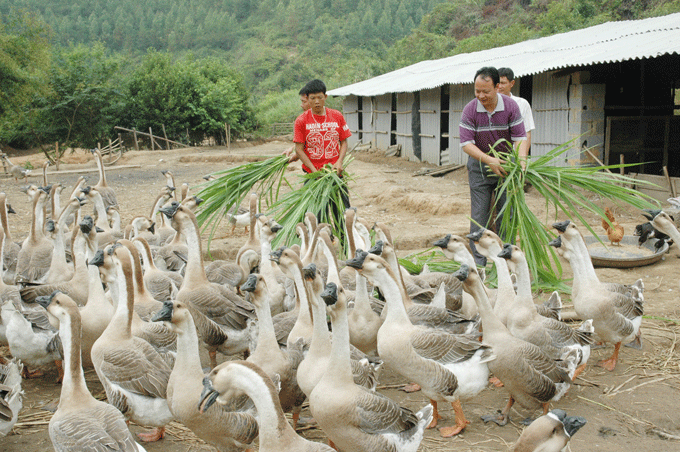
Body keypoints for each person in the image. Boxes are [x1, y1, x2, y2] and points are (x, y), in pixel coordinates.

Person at [460, 66, 528, 266]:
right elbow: (466, 144)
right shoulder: (470, 109)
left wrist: (521, 165)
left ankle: (505, 262)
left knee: (506, 216)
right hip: (480, 167)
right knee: (479, 216)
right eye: (477, 91)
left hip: (506, 168)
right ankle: (478, 264)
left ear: (498, 87)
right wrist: (489, 160)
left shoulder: (511, 107)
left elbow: (520, 138)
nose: (480, 95)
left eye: (485, 91)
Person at [292, 79, 352, 231]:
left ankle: (346, 247)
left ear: (325, 97)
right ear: (308, 99)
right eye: (312, 98)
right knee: (317, 216)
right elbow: (299, 149)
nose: (317, 102)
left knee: (343, 214)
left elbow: (344, 142)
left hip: (335, 175)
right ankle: (320, 247)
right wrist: (313, 170)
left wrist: (339, 162)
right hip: (313, 177)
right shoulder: (301, 121)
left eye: (320, 97)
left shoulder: (336, 116)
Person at [497, 67, 535, 152]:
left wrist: (522, 160)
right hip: (492, 156)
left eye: (503, 83)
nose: (499, 87)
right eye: (497, 83)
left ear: (512, 83)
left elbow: (527, 133)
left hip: (514, 155)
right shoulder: (488, 104)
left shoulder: (522, 104)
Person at [283, 89, 311, 161]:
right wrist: (293, 149)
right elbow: (307, 141)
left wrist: (297, 154)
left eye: (304, 102)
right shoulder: (304, 119)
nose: (301, 105)